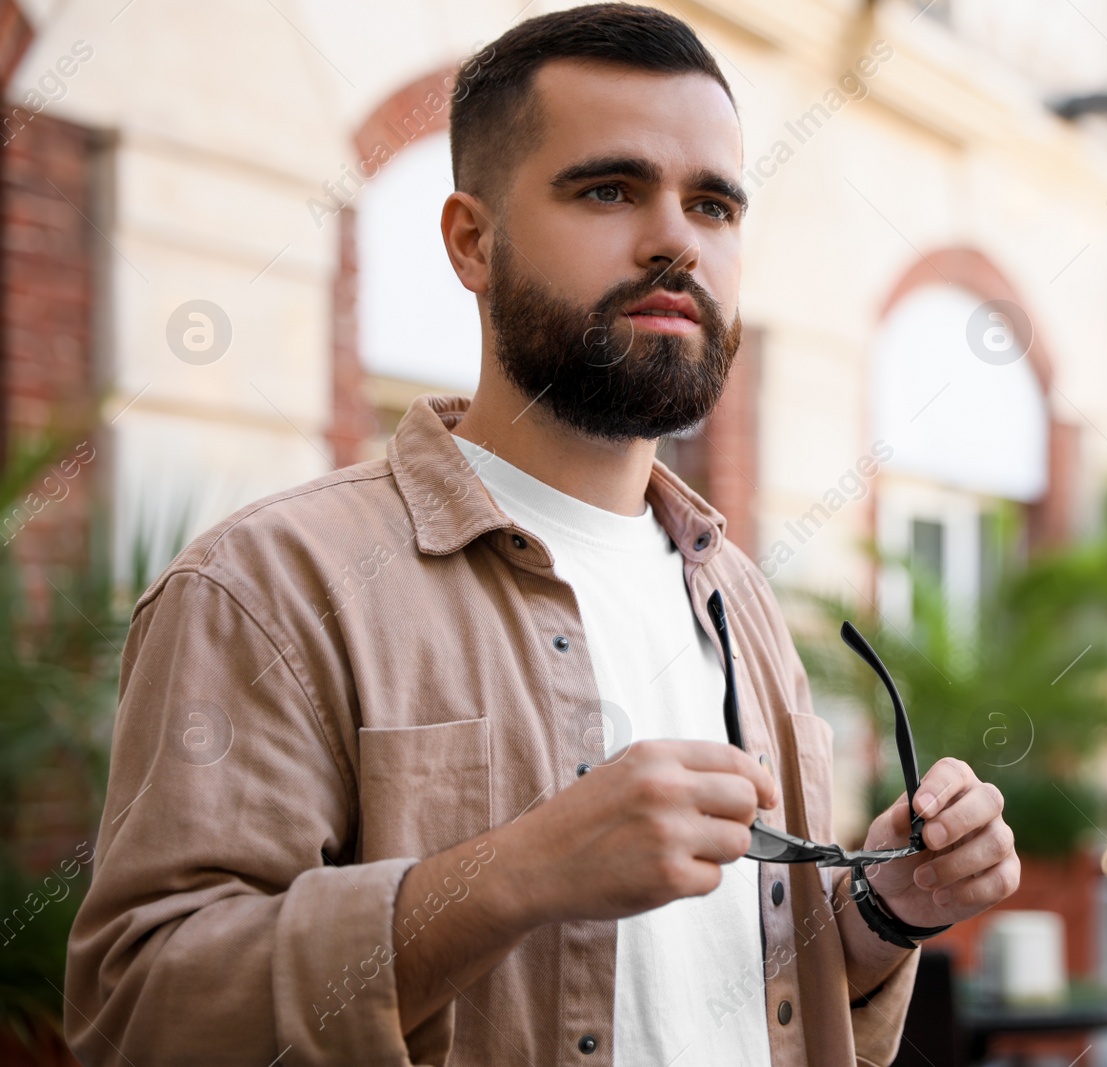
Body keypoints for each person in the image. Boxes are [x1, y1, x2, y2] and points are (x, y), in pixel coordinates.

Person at [64, 4, 1019, 1064]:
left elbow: (747, 994)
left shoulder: (742, 601)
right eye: (609, 189)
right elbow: (139, 1010)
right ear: (472, 241)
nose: (675, 238)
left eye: (713, 204)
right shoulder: (271, 586)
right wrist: (513, 874)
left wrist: (883, 906)